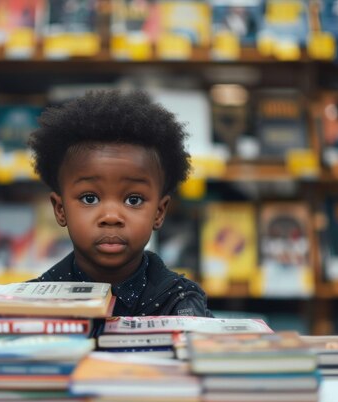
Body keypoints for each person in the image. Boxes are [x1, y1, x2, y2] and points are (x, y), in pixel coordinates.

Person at [27, 89, 212, 317]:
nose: (112, 217)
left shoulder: (179, 302)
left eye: (133, 200)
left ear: (159, 212)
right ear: (60, 209)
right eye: (90, 198)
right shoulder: (30, 302)